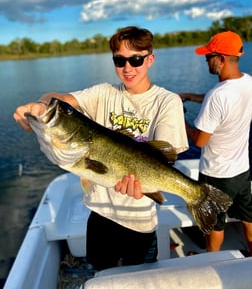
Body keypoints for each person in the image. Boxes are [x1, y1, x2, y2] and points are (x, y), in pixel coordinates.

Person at [14, 26, 188, 270]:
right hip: (100, 214)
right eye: (120, 60)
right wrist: (40, 105)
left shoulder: (167, 101)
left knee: (140, 278)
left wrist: (149, 182)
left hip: (140, 220)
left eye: (136, 59)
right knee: (102, 273)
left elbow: (165, 156)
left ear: (150, 59)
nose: (128, 68)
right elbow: (61, 100)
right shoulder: (103, 93)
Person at [179, 30, 252, 256]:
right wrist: (190, 96)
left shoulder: (217, 96)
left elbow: (200, 140)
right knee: (248, 219)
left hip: (216, 175)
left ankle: (212, 261)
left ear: (221, 59)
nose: (206, 61)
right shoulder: (248, 81)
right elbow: (223, 100)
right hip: (242, 172)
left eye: (209, 56)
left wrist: (179, 121)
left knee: (214, 225)